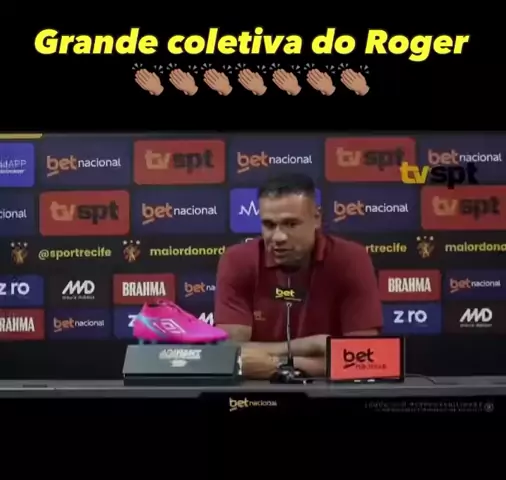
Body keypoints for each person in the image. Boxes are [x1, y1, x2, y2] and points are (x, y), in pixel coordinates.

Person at [215, 173, 382, 379]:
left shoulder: (351, 259)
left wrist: (277, 365)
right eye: (269, 225)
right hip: (257, 392)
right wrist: (311, 345)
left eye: (291, 224)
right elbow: (231, 353)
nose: (278, 237)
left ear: (316, 218)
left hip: (331, 393)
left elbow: (366, 356)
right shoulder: (237, 260)